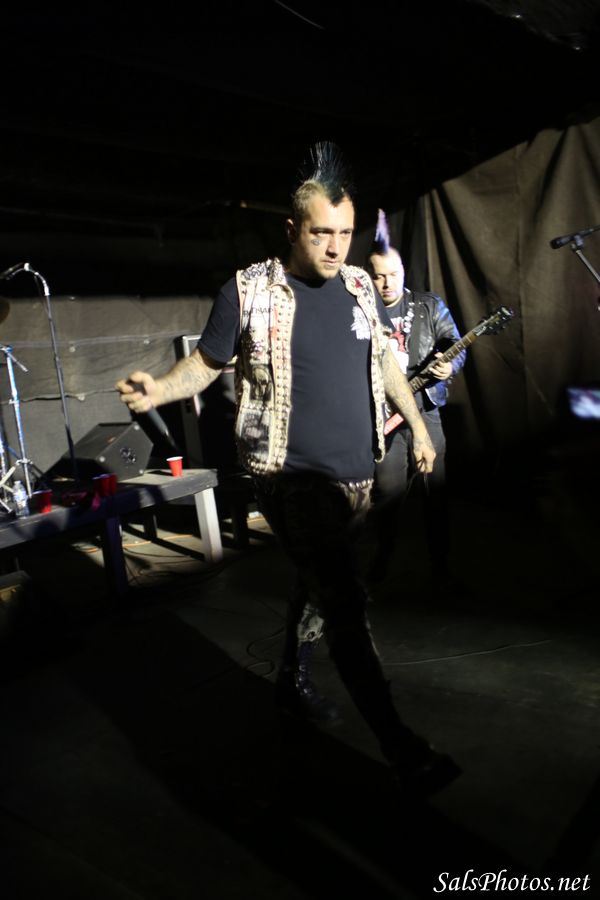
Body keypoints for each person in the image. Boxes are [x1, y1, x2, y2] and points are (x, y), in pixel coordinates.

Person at [116, 143, 459, 795]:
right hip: (291, 479)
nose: (335, 247)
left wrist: (417, 427)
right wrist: (158, 388)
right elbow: (206, 364)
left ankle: (290, 682)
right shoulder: (248, 291)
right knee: (346, 604)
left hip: (356, 478)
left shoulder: (358, 286)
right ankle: (400, 745)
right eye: (322, 233)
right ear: (292, 229)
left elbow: (386, 365)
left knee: (321, 585)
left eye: (345, 234)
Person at [366, 209, 465, 585]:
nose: (386, 282)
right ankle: (381, 563)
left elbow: (454, 341)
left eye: (393, 274)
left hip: (426, 411)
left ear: (403, 272)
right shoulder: (362, 314)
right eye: (378, 276)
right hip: (384, 417)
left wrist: (449, 365)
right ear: (369, 277)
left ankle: (442, 565)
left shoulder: (429, 305)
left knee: (434, 493)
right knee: (388, 496)